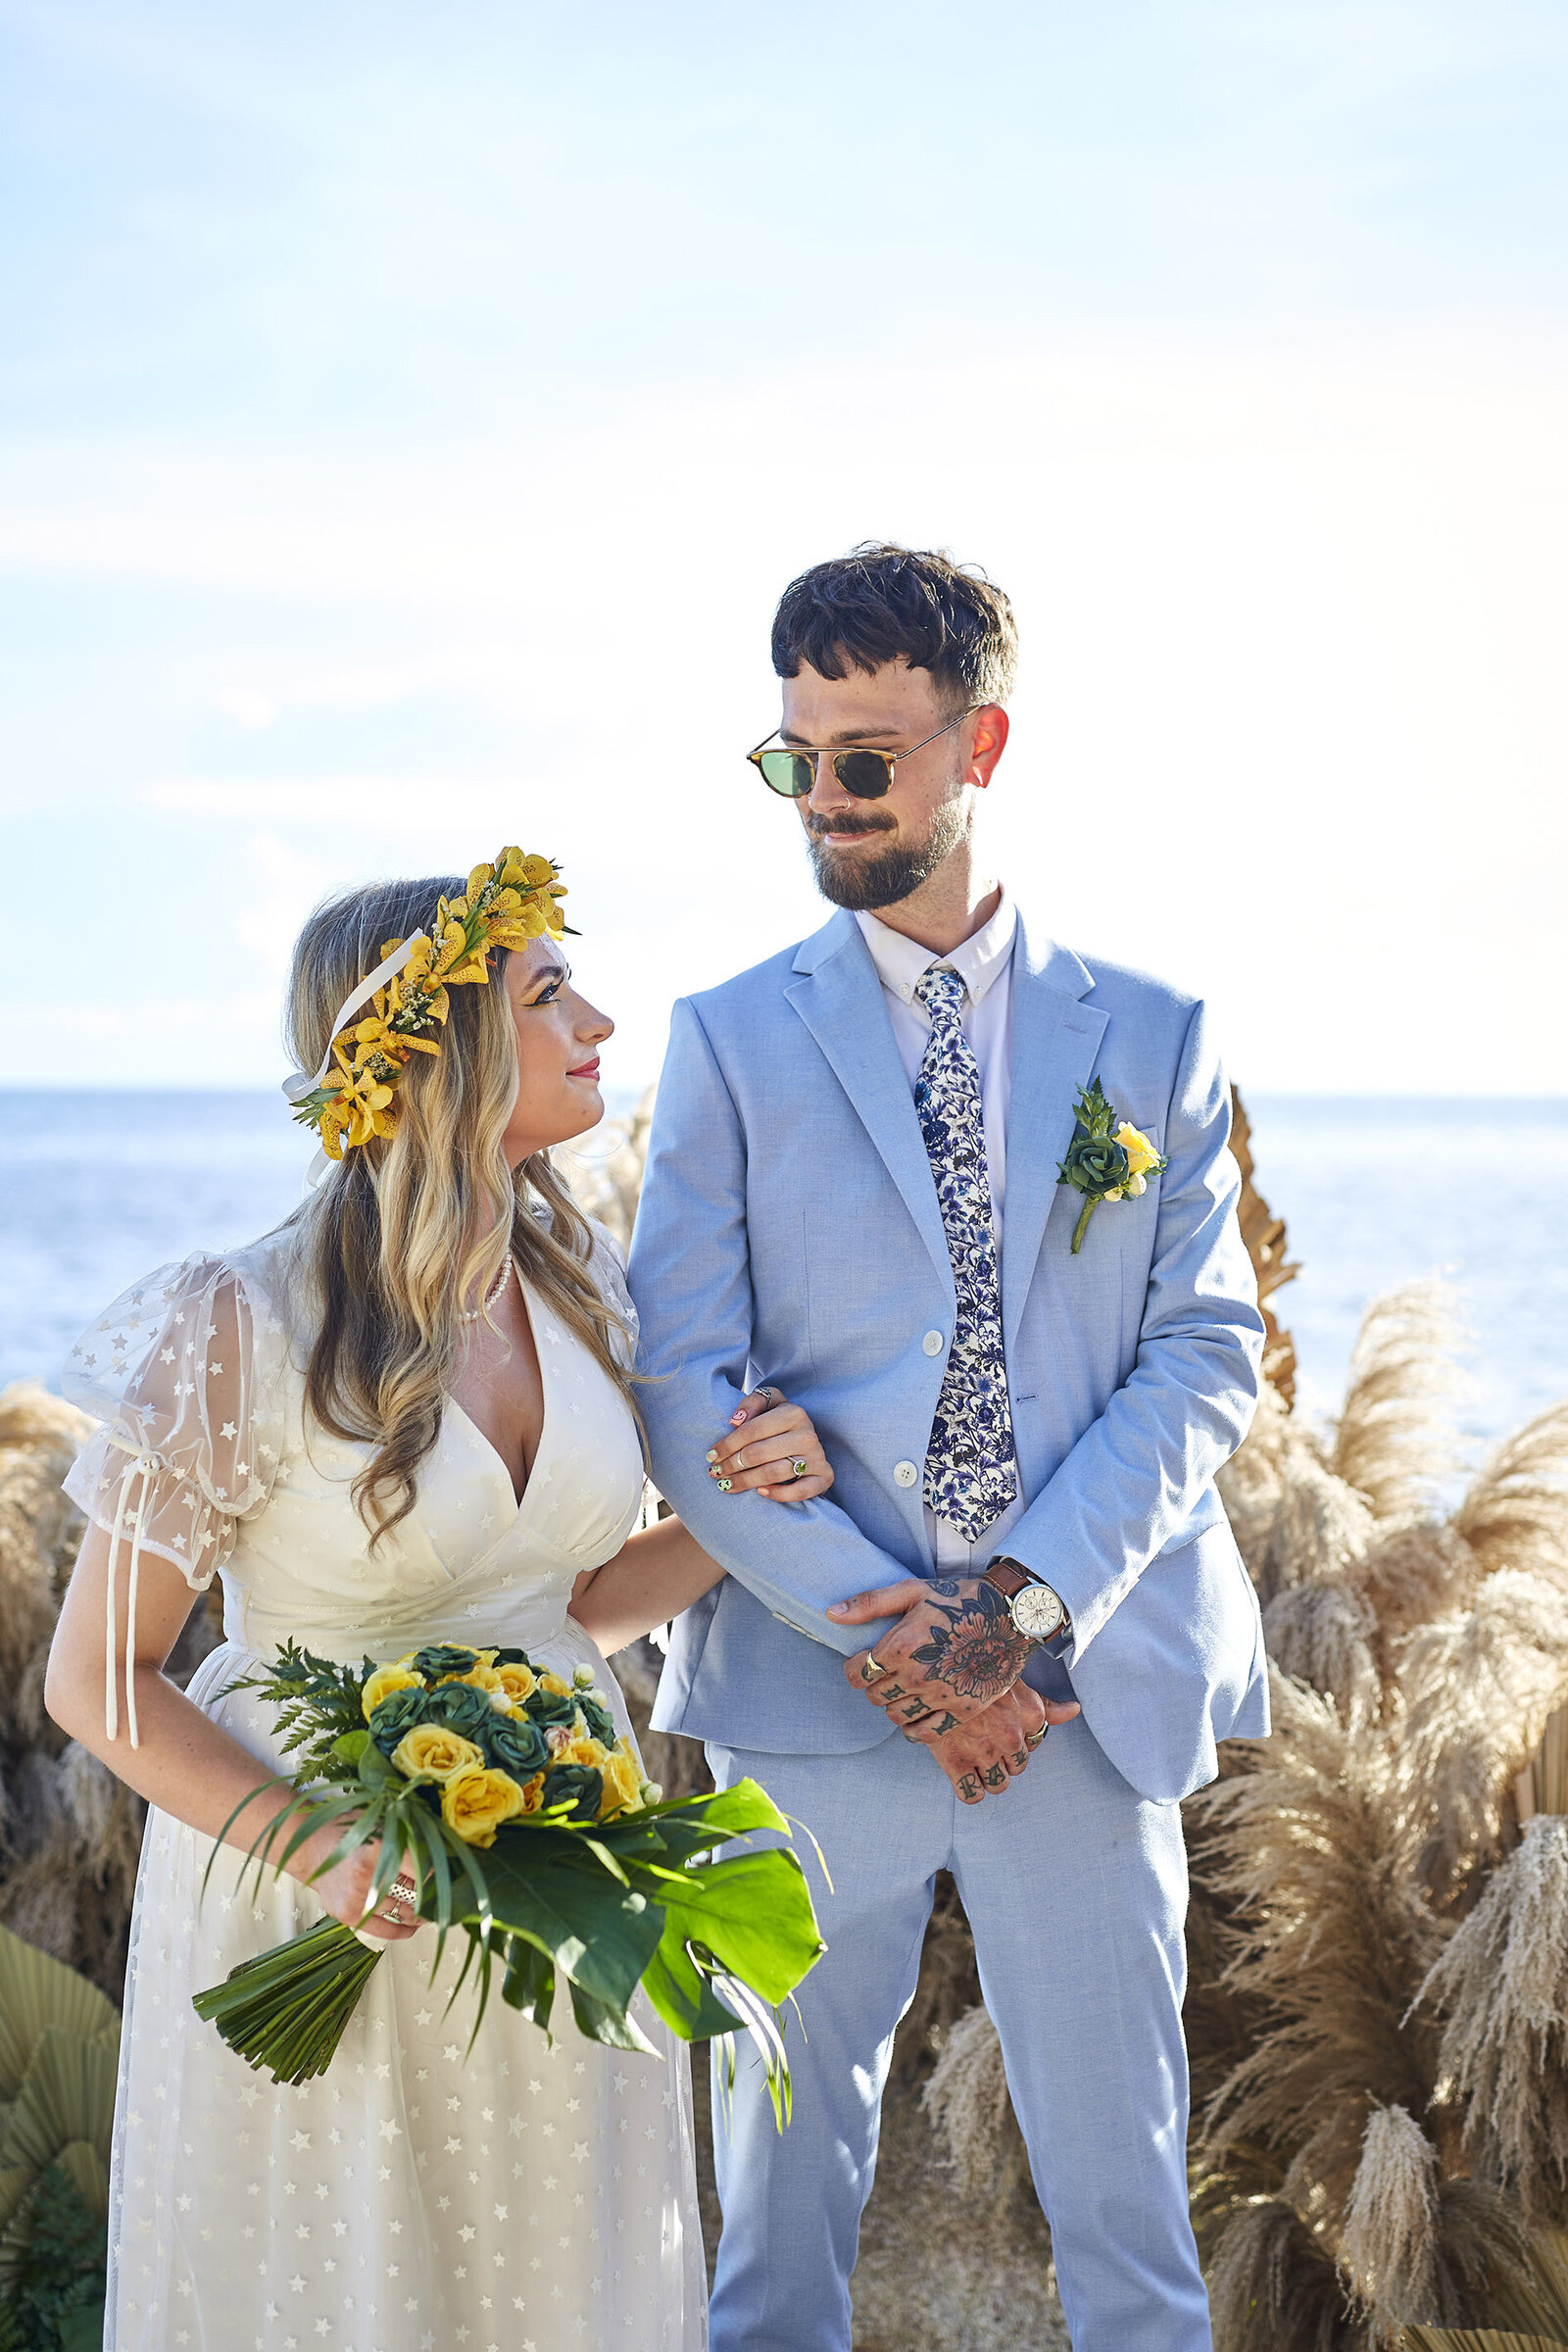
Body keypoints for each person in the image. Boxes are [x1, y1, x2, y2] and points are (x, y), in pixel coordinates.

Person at [44, 852, 832, 2352]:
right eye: (547, 992)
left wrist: (745, 1516)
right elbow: (97, 1681)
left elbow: (572, 1606)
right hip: (323, 1881)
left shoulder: (589, 1282)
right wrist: (321, 1847)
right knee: (352, 2289)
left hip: (567, 1874)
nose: (598, 1018)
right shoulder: (240, 1320)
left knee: (558, 2284)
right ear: (439, 1052)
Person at [627, 544, 1271, 2352]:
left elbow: (1208, 1347)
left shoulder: (1149, 1037)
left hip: (1078, 1691)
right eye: (795, 758)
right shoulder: (730, 1041)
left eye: (866, 758)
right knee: (774, 2228)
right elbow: (684, 1379)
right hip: (811, 1691)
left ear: (979, 742)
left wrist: (1022, 1607)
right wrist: (895, 1632)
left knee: (1131, 2223)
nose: (824, 800)